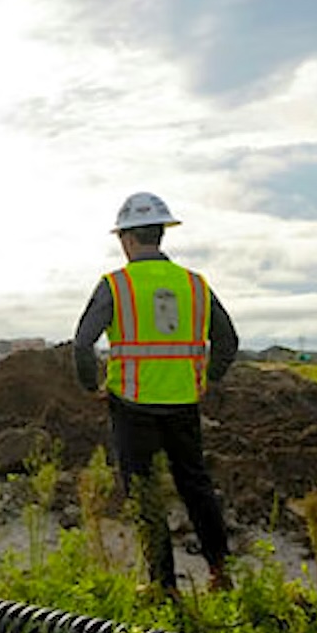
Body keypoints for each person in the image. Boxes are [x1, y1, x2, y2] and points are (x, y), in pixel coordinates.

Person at [73, 192, 239, 596]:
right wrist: (207, 378)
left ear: (127, 239)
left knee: (145, 492)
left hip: (131, 406)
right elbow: (228, 340)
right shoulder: (194, 285)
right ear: (161, 234)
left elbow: (82, 344)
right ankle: (220, 573)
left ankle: (163, 584)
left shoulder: (116, 285)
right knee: (195, 486)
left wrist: (92, 385)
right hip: (183, 403)